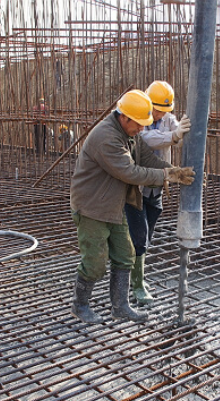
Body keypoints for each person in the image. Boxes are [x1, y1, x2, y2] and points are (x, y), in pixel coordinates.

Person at [69, 89, 195, 324]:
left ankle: (121, 307)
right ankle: (80, 305)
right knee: (95, 262)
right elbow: (130, 172)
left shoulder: (129, 132)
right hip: (92, 208)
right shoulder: (106, 137)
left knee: (125, 255)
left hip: (114, 205)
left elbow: (145, 159)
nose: (142, 129)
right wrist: (168, 175)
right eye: (138, 124)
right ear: (124, 117)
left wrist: (174, 170)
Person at [125, 80, 191, 306]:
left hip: (157, 190)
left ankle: (137, 276)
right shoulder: (139, 124)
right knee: (139, 236)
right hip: (137, 190)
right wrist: (174, 136)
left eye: (165, 111)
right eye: (158, 110)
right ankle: (136, 286)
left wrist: (180, 128)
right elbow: (149, 141)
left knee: (146, 237)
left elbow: (175, 128)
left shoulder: (166, 118)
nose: (161, 115)